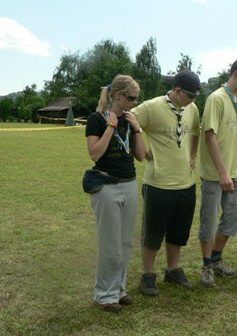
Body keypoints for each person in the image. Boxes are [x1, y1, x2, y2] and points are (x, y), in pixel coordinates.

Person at [131, 70, 201, 296]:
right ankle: (148, 275)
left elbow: (196, 132)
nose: (193, 100)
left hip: (186, 184)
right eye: (191, 95)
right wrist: (145, 153)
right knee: (152, 233)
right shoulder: (151, 107)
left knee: (179, 232)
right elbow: (129, 122)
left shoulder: (192, 108)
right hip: (158, 184)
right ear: (177, 90)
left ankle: (172, 269)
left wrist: (192, 155)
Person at [85, 75, 146, 312]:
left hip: (129, 183)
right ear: (118, 96)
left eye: (137, 99)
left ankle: (118, 290)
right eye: (131, 98)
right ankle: (104, 294)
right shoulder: (96, 119)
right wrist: (111, 125)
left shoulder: (130, 119)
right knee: (110, 243)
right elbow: (95, 154)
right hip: (107, 186)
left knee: (125, 242)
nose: (134, 102)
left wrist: (137, 128)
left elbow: (140, 156)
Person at [198, 57, 237, 286]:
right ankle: (206, 267)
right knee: (209, 222)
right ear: (234, 74)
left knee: (233, 218)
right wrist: (222, 173)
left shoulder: (235, 98)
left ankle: (215, 259)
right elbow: (210, 135)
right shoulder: (217, 98)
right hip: (216, 174)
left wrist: (231, 171)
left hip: (234, 171)